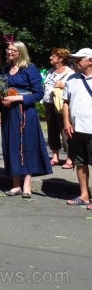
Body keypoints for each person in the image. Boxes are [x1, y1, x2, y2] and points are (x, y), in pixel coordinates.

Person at [0, 41, 52, 198]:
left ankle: (27, 186)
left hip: (26, 112)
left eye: (13, 50)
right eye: (8, 49)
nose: (9, 52)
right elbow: (1, 88)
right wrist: (1, 98)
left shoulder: (30, 69)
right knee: (11, 144)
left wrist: (17, 98)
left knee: (27, 145)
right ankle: (15, 184)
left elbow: (38, 93)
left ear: (21, 52)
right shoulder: (5, 69)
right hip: (9, 113)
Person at [62, 48, 92, 207]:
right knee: (80, 163)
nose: (76, 61)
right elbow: (65, 102)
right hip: (76, 129)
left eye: (80, 59)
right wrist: (66, 122)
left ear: (90, 61)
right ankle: (84, 195)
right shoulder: (72, 79)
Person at [43, 48, 74, 168]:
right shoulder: (50, 71)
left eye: (53, 56)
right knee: (52, 130)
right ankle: (55, 156)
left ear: (60, 59)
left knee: (65, 131)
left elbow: (74, 88)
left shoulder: (70, 73)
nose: (50, 58)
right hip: (49, 104)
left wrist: (63, 85)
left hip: (62, 105)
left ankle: (70, 158)